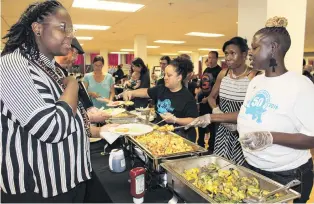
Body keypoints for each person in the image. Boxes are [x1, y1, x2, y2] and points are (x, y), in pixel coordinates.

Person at [0, 1, 113, 202]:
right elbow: (52, 128)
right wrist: (72, 85)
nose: (70, 35)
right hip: (38, 190)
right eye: (63, 28)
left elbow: (71, 119)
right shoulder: (13, 64)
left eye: (71, 29)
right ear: (37, 28)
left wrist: (97, 131)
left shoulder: (49, 68)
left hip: (67, 183)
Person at [237, 16, 314, 203]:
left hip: (287, 175)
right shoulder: (256, 81)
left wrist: (270, 137)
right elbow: (250, 114)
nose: (250, 53)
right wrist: (216, 119)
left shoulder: (300, 85)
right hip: (253, 167)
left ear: (273, 48)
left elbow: (312, 137)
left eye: (255, 47)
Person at [186, 37, 260, 164]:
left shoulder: (255, 76)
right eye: (226, 53)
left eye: (233, 53)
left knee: (240, 169)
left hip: (241, 132)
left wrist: (236, 124)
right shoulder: (223, 74)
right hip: (222, 129)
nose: (228, 57)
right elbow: (211, 97)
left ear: (244, 54)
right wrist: (216, 110)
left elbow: (254, 111)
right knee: (221, 165)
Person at [123, 57, 198, 142]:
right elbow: (146, 92)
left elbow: (193, 120)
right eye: (165, 74)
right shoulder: (161, 89)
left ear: (179, 77)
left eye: (169, 75)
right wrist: (131, 93)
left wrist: (175, 119)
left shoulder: (187, 97)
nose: (165, 78)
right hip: (161, 134)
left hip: (179, 138)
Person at [196, 73, 215, 148]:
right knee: (201, 133)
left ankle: (211, 148)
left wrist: (208, 98)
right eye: (203, 79)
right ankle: (201, 147)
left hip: (211, 114)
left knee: (212, 133)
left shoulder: (214, 91)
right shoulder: (200, 93)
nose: (204, 81)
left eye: (206, 79)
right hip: (202, 113)